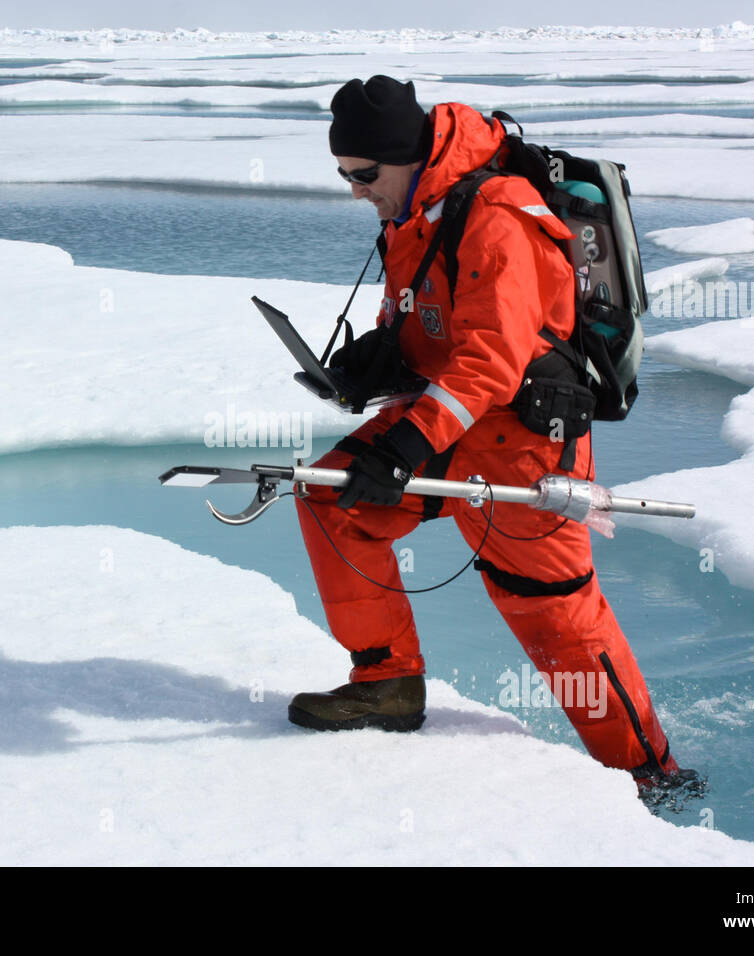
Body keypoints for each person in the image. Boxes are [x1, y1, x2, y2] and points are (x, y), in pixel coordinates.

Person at [290, 75, 698, 799]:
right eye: (344, 175)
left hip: (525, 449)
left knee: (556, 621)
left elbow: (492, 359)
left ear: (403, 157)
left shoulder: (497, 214)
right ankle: (387, 685)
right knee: (331, 499)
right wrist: (375, 360)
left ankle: (650, 775)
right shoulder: (414, 212)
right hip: (450, 426)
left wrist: (404, 447)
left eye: (362, 174)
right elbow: (424, 322)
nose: (354, 189)